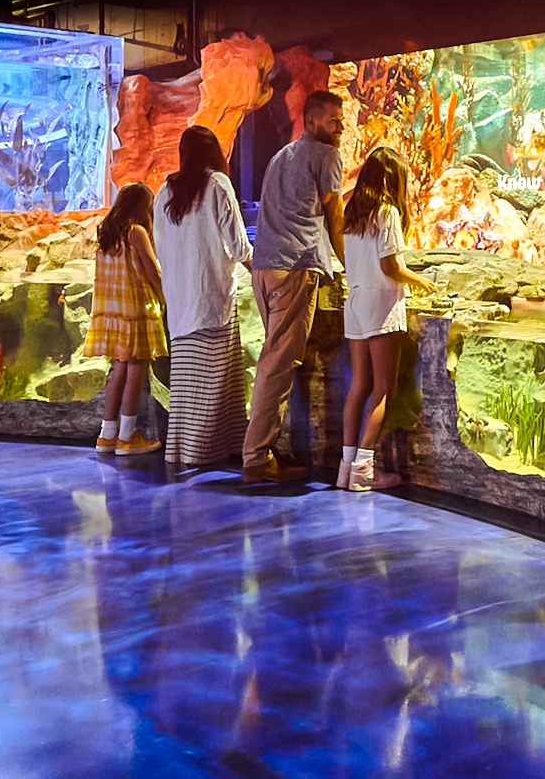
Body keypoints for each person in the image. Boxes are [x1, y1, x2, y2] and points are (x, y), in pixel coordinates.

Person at [242, 90, 346, 483]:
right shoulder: (327, 156)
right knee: (277, 363)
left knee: (273, 359)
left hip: (265, 267)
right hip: (296, 268)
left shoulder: (279, 156)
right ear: (312, 121)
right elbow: (334, 215)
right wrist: (350, 263)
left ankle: (268, 447)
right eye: (333, 119)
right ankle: (255, 457)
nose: (340, 126)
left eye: (340, 119)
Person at [152, 126, 254, 467]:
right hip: (212, 296)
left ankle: (183, 449)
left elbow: (160, 247)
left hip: (180, 302)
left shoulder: (164, 191)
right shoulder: (217, 185)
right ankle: (210, 450)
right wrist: (262, 272)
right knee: (216, 382)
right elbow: (239, 245)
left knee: (187, 386)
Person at [339, 147, 435, 491]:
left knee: (358, 386)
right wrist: (421, 280)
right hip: (381, 302)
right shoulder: (387, 212)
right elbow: (391, 267)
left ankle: (345, 469)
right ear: (394, 180)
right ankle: (365, 470)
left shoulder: (352, 213)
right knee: (383, 390)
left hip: (355, 301)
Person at [85, 182, 167, 456]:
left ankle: (106, 436)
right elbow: (153, 272)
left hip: (112, 314)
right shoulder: (136, 232)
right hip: (136, 311)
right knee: (136, 371)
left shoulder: (106, 233)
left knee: (117, 370)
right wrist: (166, 301)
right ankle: (127, 436)